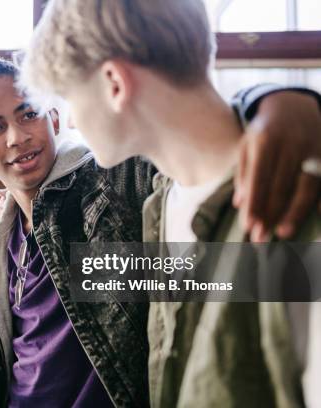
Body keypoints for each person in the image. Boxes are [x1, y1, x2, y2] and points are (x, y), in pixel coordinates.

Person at [19, 0, 321, 406]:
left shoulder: (297, 214)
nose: (71, 122)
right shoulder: (158, 205)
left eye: (70, 97)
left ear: (115, 85)